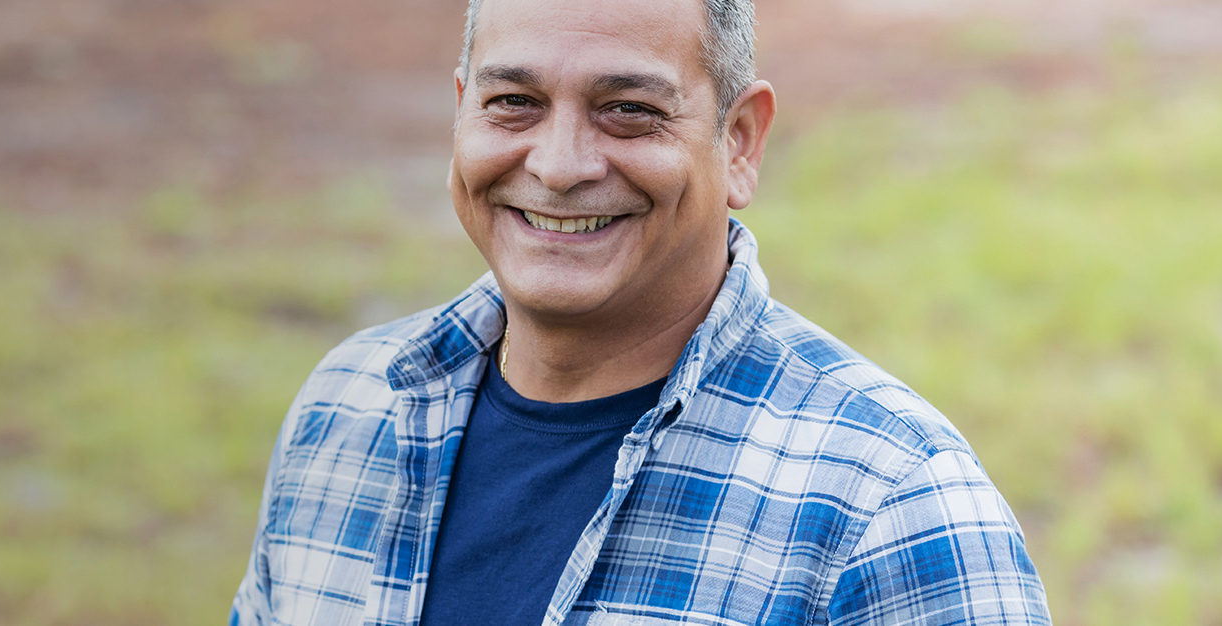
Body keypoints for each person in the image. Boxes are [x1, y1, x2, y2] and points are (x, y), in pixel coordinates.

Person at [231, 0, 1051, 623]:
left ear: (739, 143)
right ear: (460, 112)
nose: (557, 166)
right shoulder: (343, 408)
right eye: (512, 101)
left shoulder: (890, 503)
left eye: (629, 110)